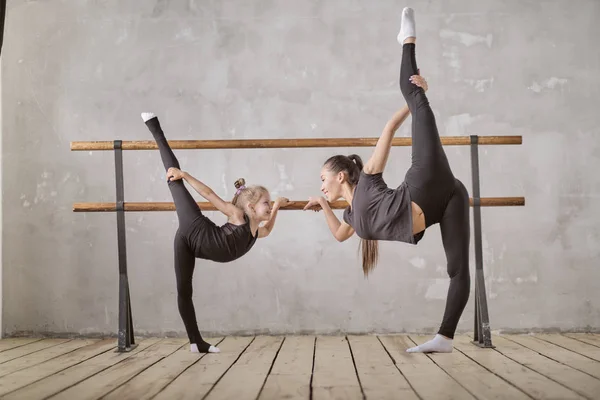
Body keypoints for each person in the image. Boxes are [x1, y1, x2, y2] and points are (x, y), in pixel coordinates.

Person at [303, 8, 470, 353]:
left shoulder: (366, 179)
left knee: (417, 99)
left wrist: (413, 101)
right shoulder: (350, 218)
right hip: (448, 200)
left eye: (323, 180)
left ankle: (407, 42)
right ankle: (445, 338)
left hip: (424, 184)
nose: (321, 185)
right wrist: (322, 204)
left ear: (340, 176)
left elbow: (389, 130)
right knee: (457, 269)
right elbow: (338, 235)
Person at [141, 112, 289, 353]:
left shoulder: (255, 232)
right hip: (195, 228)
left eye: (270, 203)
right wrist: (185, 175)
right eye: (267, 203)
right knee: (174, 179)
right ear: (250, 207)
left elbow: (269, 229)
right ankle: (154, 125)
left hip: (187, 243)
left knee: (184, 291)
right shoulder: (238, 217)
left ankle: (195, 342)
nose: (270, 206)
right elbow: (210, 195)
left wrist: (279, 206)